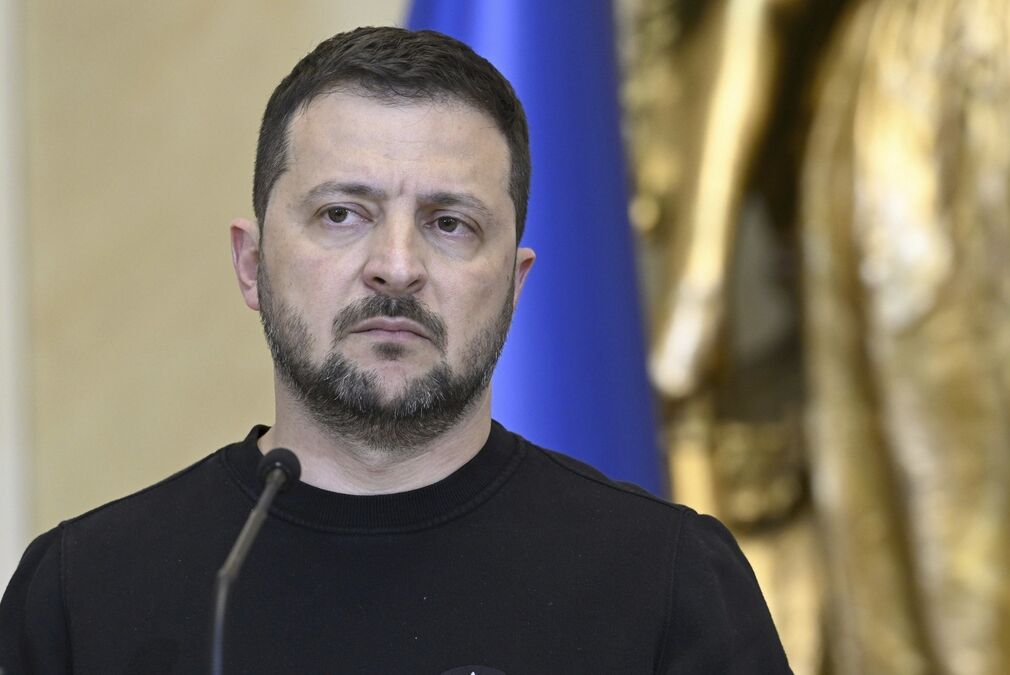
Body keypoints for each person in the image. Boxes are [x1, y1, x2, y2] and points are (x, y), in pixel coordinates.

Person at [0, 26, 789, 674]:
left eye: (450, 223)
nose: (397, 265)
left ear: (515, 284)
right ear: (251, 264)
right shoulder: (83, 592)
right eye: (342, 213)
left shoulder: (667, 582)